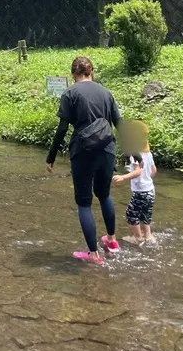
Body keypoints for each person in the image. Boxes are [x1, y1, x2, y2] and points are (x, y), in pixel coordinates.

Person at [46, 56, 121, 265]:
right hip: (107, 149)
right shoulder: (106, 92)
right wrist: (135, 154)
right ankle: (112, 241)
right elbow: (119, 123)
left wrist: (51, 156)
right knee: (104, 195)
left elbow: (62, 129)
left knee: (84, 203)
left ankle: (94, 255)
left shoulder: (70, 93)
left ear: (73, 74)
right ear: (92, 72)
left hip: (83, 151)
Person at [112, 123, 157, 245]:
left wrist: (123, 177)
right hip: (150, 190)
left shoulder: (135, 155)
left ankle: (138, 238)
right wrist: (146, 178)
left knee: (131, 215)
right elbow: (153, 171)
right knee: (145, 215)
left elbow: (137, 172)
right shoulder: (148, 153)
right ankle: (148, 236)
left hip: (140, 192)